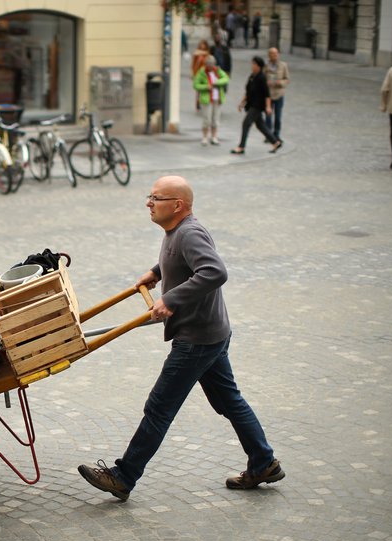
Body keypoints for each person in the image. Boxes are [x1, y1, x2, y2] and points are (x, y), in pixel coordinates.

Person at [77, 176, 285, 501]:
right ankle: (263, 462)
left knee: (159, 407)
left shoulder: (189, 232)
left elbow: (215, 271)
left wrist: (170, 299)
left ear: (178, 205)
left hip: (196, 338)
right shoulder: (177, 231)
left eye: (155, 198)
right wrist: (157, 271)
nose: (148, 202)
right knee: (229, 400)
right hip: (211, 332)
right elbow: (182, 260)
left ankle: (123, 475)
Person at [231, 56, 283, 154]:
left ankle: (241, 147)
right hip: (251, 104)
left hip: (257, 106)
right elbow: (248, 91)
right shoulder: (252, 76)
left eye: (254, 64)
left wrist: (268, 107)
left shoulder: (262, 78)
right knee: (261, 125)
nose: (252, 66)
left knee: (246, 124)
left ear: (258, 66)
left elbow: (267, 94)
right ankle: (275, 142)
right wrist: (242, 103)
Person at [193, 56, 229, 146]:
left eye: (212, 65)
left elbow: (226, 78)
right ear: (206, 65)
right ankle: (205, 137)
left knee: (216, 119)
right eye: (208, 65)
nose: (210, 67)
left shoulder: (217, 70)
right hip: (207, 99)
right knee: (207, 119)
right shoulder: (201, 73)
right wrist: (206, 87)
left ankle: (214, 137)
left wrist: (217, 82)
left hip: (217, 98)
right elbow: (196, 85)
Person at [264, 47, 290, 142]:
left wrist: (281, 83)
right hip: (268, 95)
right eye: (272, 54)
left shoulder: (283, 65)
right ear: (269, 55)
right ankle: (268, 135)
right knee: (268, 116)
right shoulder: (266, 66)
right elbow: (262, 78)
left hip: (279, 94)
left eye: (276, 54)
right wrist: (265, 83)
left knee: (278, 117)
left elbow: (287, 79)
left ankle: (277, 134)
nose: (274, 56)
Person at [191, 40, 212, 111]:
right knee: (198, 90)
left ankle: (203, 102)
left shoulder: (207, 55)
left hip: (205, 74)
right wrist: (193, 74)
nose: (202, 46)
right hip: (198, 73)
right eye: (201, 45)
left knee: (204, 88)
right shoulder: (197, 54)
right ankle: (197, 104)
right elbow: (193, 64)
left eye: (203, 45)